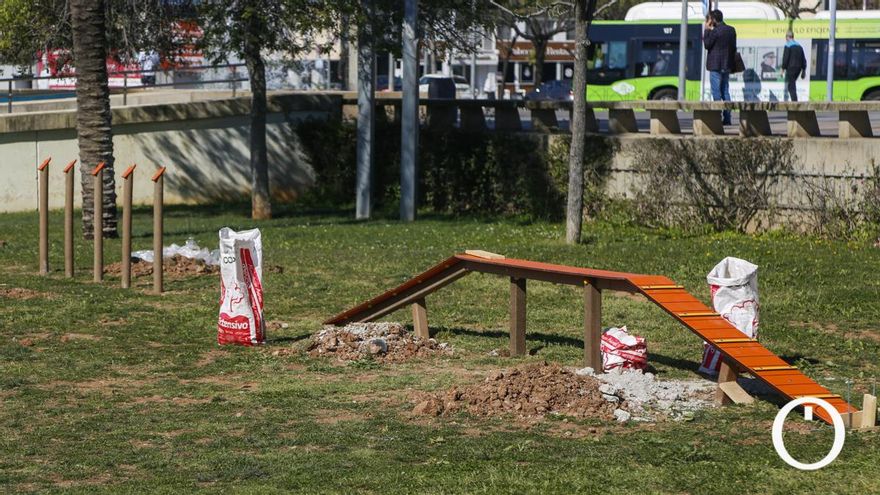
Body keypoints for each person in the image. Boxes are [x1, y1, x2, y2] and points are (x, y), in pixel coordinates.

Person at [703, 10, 737, 125]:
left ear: (713, 19)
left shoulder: (715, 32)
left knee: (716, 91)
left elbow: (707, 44)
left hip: (715, 65)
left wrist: (707, 30)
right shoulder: (731, 30)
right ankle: (727, 118)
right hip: (727, 64)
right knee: (725, 91)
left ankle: (717, 116)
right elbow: (733, 48)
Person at [781, 31, 807, 102]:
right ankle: (794, 101)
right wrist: (803, 70)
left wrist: (783, 68)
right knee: (792, 84)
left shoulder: (788, 45)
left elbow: (785, 58)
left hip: (791, 68)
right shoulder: (799, 46)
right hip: (798, 69)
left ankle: (794, 103)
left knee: (791, 86)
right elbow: (803, 59)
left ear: (787, 37)